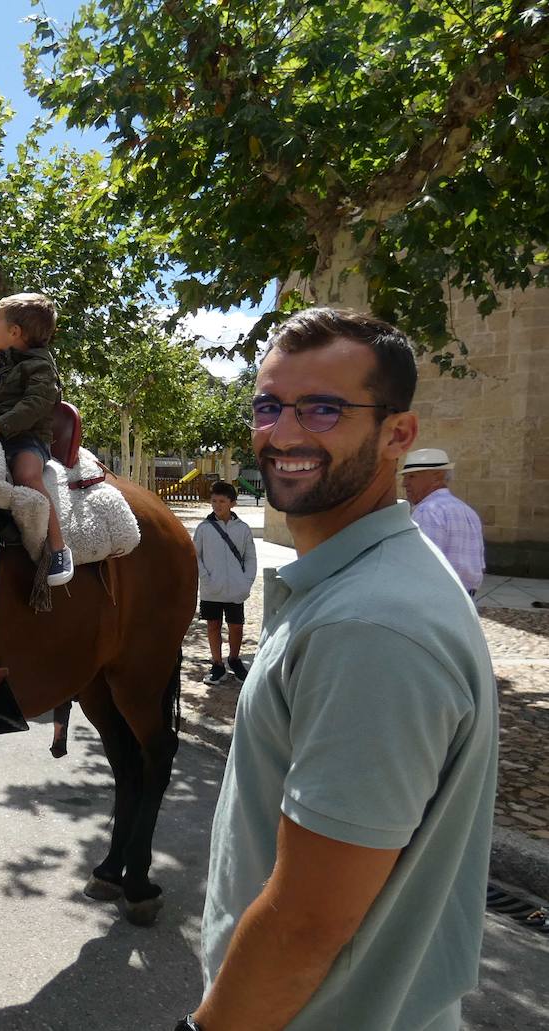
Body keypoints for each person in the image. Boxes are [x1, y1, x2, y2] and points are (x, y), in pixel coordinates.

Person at [183, 308, 497, 1031]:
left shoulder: (368, 625)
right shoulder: (357, 586)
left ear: (398, 434)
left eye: (324, 408)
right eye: (269, 405)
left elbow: (306, 924)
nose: (285, 433)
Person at [0, 292, 72, 586]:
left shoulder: (40, 367)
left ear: (14, 332)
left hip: (28, 438)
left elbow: (35, 404)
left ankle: (58, 548)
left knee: (26, 473)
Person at [193, 480, 257, 684]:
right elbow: (196, 557)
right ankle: (217, 664)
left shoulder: (243, 529)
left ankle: (235, 659)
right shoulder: (204, 528)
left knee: (236, 626)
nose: (217, 505)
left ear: (232, 503)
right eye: (214, 501)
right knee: (213, 625)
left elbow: (250, 557)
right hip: (211, 589)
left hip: (236, 589)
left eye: (222, 501)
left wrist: (246, 581)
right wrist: (205, 578)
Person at [401, 447, 484, 597]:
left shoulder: (428, 511)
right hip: (466, 597)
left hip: (439, 598)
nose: (404, 484)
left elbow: (423, 566)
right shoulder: (467, 511)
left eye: (411, 477)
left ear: (437, 476)